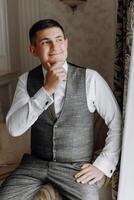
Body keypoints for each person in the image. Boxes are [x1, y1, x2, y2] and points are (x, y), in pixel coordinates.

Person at [0, 19, 122, 200]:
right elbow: (14, 128)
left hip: (75, 168)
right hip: (34, 165)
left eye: (59, 39)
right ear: (33, 50)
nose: (55, 46)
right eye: (45, 42)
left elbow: (117, 122)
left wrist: (103, 165)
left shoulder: (90, 78)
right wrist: (46, 90)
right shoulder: (25, 80)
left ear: (66, 43)